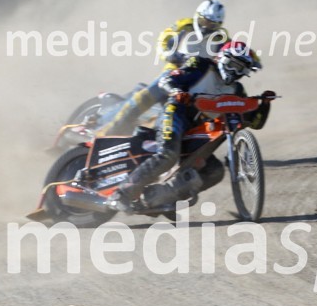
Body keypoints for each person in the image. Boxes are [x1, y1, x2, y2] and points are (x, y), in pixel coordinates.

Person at [110, 41, 268, 210]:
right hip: (176, 113)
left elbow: (255, 123)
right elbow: (166, 80)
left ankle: (163, 197)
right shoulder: (200, 65)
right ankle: (122, 193)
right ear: (222, 58)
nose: (235, 72)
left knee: (214, 171)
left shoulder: (237, 90)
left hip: (199, 130)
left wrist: (264, 104)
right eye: (233, 65)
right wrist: (176, 91)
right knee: (168, 154)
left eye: (241, 69)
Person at [98, 0, 229, 136]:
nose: (207, 27)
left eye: (212, 25)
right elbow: (163, 41)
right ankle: (107, 130)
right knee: (146, 96)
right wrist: (171, 55)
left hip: (200, 83)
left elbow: (232, 54)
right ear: (198, 16)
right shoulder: (184, 26)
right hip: (174, 73)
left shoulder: (222, 38)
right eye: (204, 21)